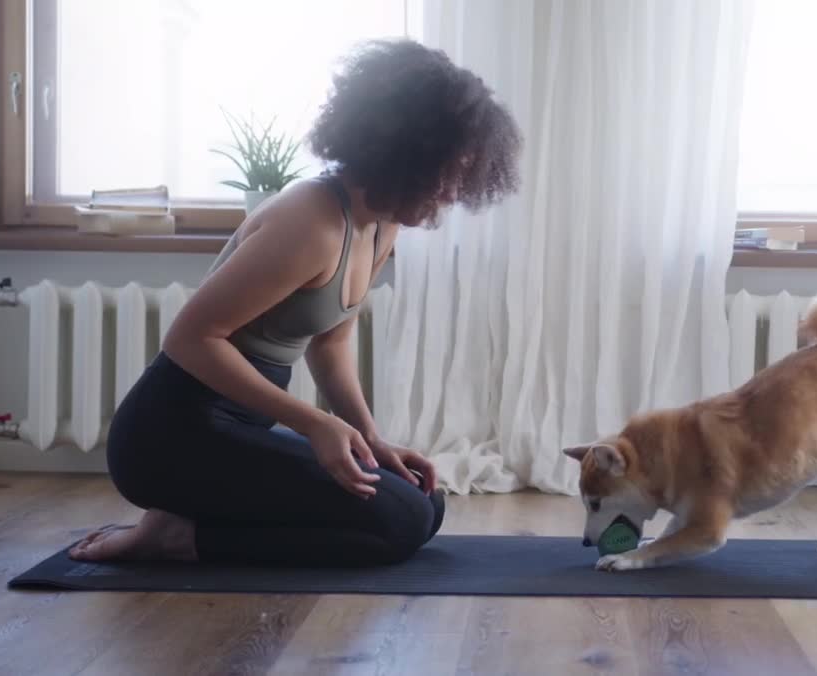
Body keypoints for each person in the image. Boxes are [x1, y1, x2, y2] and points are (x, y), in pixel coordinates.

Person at [68, 38, 522, 567]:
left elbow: (331, 340)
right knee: (400, 524)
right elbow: (191, 340)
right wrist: (314, 423)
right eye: (450, 173)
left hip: (239, 429)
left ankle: (189, 524)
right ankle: (173, 538)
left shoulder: (382, 222)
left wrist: (371, 440)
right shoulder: (310, 221)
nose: (453, 193)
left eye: (465, 175)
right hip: (171, 438)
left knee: (425, 502)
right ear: (407, 152)